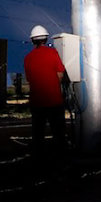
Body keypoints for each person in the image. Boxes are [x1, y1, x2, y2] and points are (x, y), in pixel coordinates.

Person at [23, 24, 67, 154]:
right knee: (58, 131)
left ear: (32, 40)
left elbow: (29, 79)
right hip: (54, 100)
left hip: (36, 101)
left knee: (38, 132)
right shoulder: (53, 53)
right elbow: (60, 74)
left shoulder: (28, 58)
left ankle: (38, 157)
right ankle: (60, 157)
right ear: (46, 39)